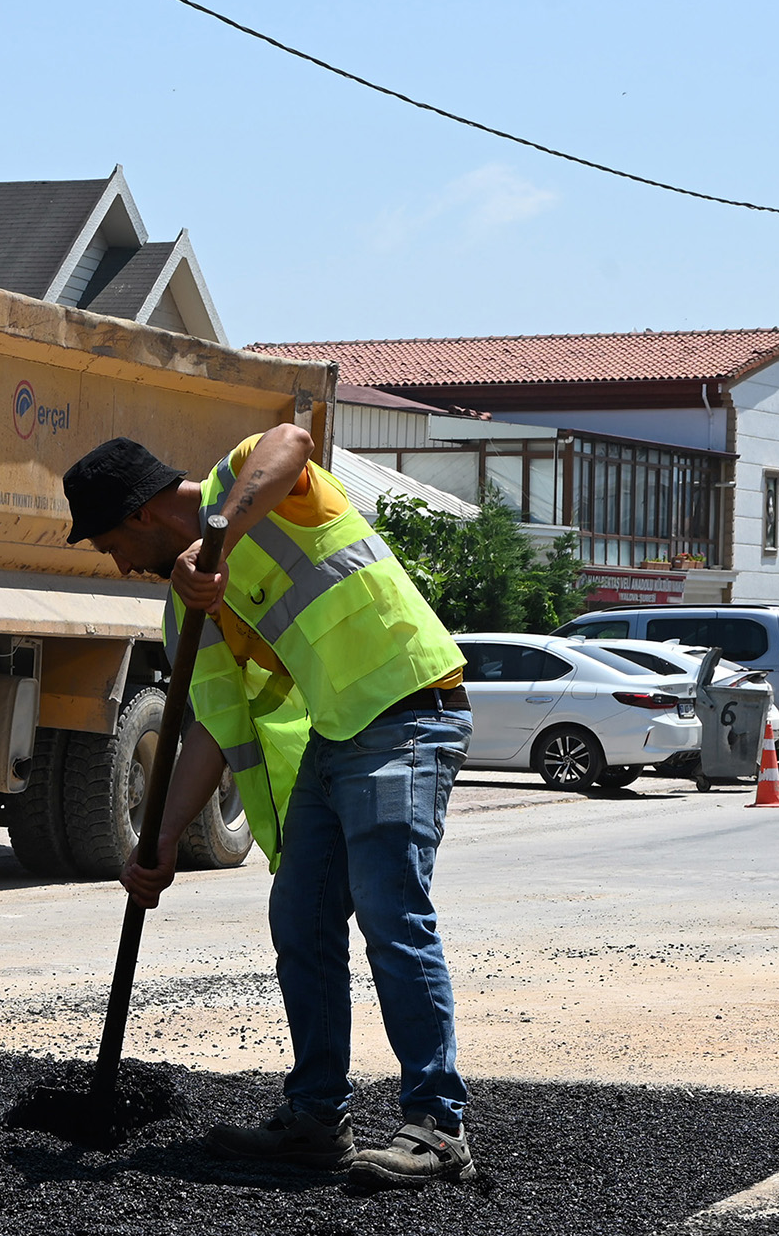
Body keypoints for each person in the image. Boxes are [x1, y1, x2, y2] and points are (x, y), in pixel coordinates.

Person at [63, 429, 478, 1188]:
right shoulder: (186, 612)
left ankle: (437, 1128)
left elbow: (291, 439)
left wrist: (216, 540)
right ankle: (317, 1119)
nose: (120, 565)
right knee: (300, 919)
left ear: (142, 513)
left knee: (391, 912)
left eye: (112, 545)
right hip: (334, 739)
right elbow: (214, 730)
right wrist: (159, 840)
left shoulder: (248, 480)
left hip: (409, 708)